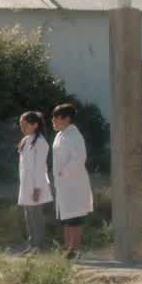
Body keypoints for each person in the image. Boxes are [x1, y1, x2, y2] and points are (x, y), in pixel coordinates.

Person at [50, 103, 94, 259]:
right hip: (63, 184)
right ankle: (67, 248)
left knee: (75, 216)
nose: (53, 121)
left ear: (67, 119)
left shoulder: (74, 135)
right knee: (66, 217)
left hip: (74, 183)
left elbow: (79, 158)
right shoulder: (60, 135)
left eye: (56, 117)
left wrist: (63, 172)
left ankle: (74, 250)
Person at [16, 112, 52, 256]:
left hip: (36, 184)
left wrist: (37, 188)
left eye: (25, 124)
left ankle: (39, 246)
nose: (22, 127)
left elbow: (40, 167)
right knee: (28, 216)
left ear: (35, 125)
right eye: (21, 124)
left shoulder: (41, 142)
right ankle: (31, 245)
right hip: (26, 183)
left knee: (36, 215)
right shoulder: (26, 140)